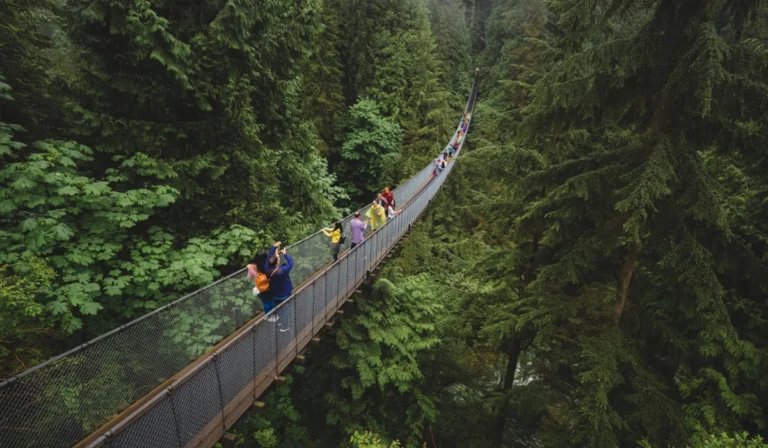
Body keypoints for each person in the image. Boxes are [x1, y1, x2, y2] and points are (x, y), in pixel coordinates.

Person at [263, 241, 293, 329]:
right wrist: (285, 254)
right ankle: (284, 326)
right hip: (284, 294)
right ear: (277, 262)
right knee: (285, 309)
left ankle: (279, 322)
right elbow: (291, 263)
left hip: (274, 293)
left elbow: (268, 257)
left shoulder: (266, 268)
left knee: (278, 307)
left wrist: (274, 247)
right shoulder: (282, 270)